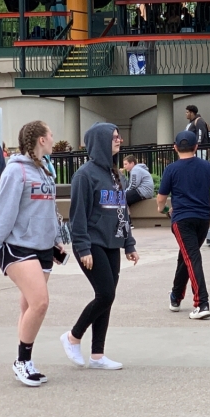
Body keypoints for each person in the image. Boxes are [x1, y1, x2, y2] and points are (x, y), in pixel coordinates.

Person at [0, 121, 61, 386]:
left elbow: (49, 210)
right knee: (40, 302)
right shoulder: (16, 171)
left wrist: (57, 238)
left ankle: (26, 360)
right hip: (17, 247)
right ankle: (22, 361)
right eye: (50, 135)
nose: (53, 139)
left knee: (28, 305)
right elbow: (3, 213)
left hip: (44, 248)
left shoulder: (46, 168)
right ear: (40, 139)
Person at [62, 124, 138, 371]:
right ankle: (73, 336)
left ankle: (97, 355)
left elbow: (122, 213)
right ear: (101, 141)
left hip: (112, 243)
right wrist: (83, 248)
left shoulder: (116, 175)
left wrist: (129, 244)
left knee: (106, 299)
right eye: (115, 137)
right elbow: (78, 216)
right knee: (106, 294)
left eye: (118, 137)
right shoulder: (84, 175)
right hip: (91, 243)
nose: (120, 140)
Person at [158, 130, 210, 320]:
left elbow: (160, 200)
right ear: (196, 147)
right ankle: (176, 297)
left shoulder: (171, 169)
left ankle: (202, 303)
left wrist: (165, 209)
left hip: (182, 219)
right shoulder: (206, 166)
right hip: (202, 220)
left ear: (175, 148)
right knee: (186, 256)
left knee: (191, 258)